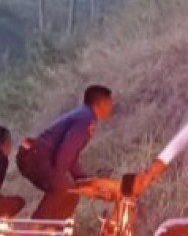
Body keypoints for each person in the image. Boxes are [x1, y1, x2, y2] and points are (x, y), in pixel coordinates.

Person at [17, 85, 116, 221]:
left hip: (34, 154)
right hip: (36, 155)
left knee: (72, 194)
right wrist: (64, 178)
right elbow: (64, 155)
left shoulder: (83, 115)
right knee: (64, 187)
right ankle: (35, 226)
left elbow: (70, 158)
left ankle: (54, 228)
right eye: (110, 102)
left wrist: (87, 180)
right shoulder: (86, 119)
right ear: (100, 103)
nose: (111, 107)